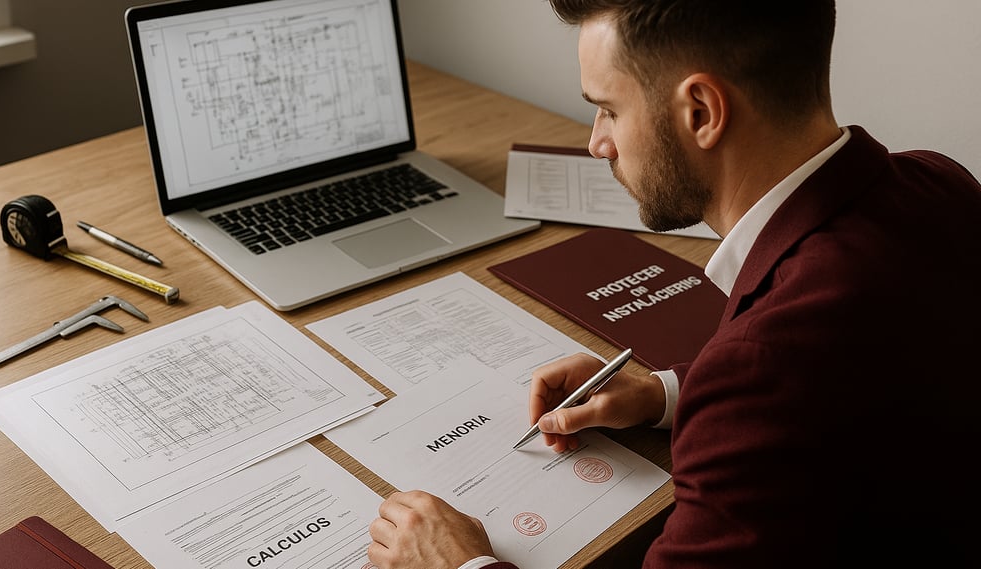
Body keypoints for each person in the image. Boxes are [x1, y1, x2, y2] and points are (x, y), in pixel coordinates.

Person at [366, 1, 981, 567]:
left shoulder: (762, 371)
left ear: (701, 113)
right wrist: (664, 394)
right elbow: (859, 382)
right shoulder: (939, 183)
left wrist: (461, 564)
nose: (596, 143)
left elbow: (786, 380)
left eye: (609, 108)